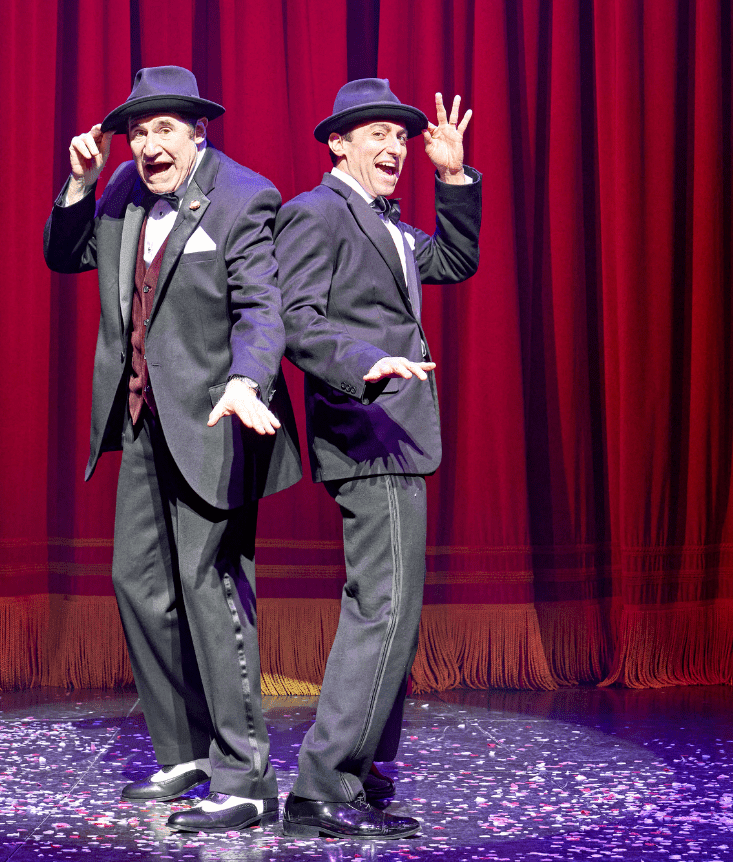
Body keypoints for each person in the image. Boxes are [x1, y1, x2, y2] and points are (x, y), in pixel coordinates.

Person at [43, 65, 300, 833]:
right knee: (136, 582)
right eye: (138, 131)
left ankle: (245, 776)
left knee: (208, 587)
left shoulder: (243, 195)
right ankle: (184, 752)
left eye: (165, 130)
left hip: (218, 419)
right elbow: (65, 254)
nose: (150, 145)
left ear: (198, 134)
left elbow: (262, 308)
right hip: (142, 422)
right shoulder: (121, 189)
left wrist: (250, 381)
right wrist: (78, 186)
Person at [273, 78, 481, 839]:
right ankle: (321, 788)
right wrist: (365, 360)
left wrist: (454, 176)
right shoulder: (314, 212)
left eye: (402, 136)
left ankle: (361, 781)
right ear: (338, 143)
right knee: (381, 609)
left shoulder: (386, 223)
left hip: (398, 433)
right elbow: (296, 321)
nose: (396, 147)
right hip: (364, 429)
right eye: (378, 135)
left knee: (396, 613)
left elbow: (456, 261)